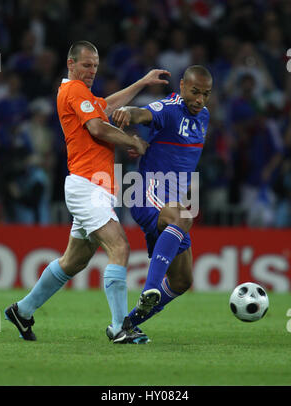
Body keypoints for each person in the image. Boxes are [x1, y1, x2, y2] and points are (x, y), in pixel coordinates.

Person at [5, 40, 170, 344]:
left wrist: (143, 82)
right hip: (87, 185)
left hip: (94, 186)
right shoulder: (73, 90)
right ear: (71, 64)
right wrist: (132, 141)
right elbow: (98, 127)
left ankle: (22, 310)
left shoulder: (81, 95)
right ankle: (121, 326)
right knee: (119, 247)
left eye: (95, 65)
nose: (92, 70)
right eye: (86, 64)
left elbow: (105, 106)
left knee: (73, 261)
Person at [108, 65, 212, 337]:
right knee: (184, 217)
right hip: (147, 192)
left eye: (206, 94)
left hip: (170, 203)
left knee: (181, 280)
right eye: (195, 92)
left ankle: (126, 325)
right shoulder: (169, 108)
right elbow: (143, 113)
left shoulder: (204, 117)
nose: (200, 99)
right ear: (181, 87)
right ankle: (149, 289)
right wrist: (126, 113)